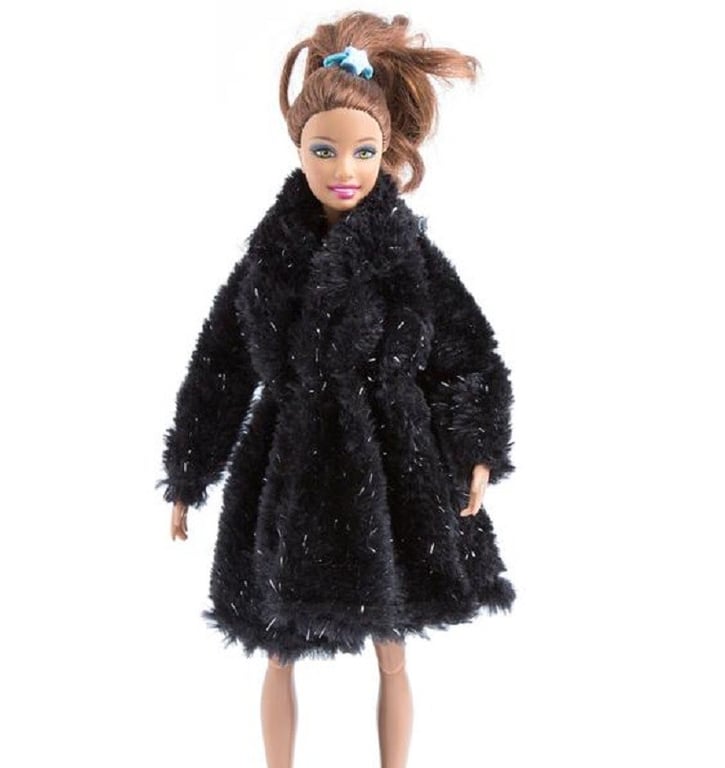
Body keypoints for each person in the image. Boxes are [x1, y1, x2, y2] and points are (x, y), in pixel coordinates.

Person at [157, 11, 516, 768]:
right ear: (298, 147)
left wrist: (477, 445)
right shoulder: (267, 257)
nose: (343, 169)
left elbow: (465, 347)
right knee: (276, 645)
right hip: (286, 458)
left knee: (392, 645)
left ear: (386, 152)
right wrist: (190, 470)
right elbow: (220, 363)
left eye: (363, 151)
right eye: (324, 150)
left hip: (389, 460)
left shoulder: (406, 252)